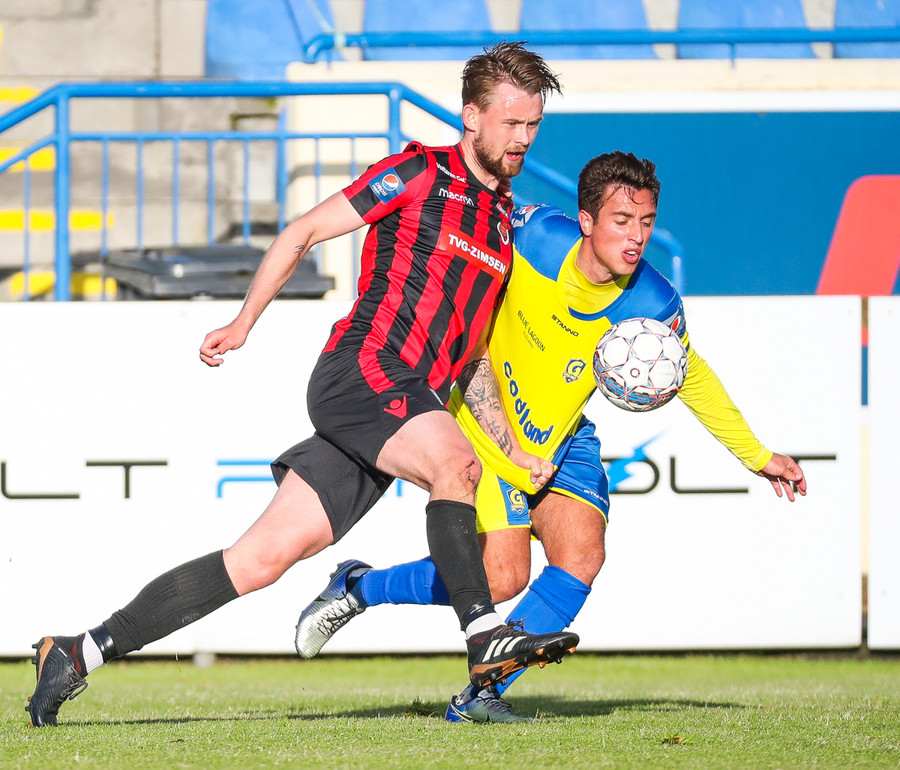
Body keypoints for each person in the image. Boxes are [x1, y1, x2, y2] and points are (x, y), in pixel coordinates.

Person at [25, 42, 579, 728]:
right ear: (471, 116)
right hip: (364, 369)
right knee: (455, 466)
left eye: (533, 125)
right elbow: (304, 231)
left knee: (256, 562)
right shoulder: (418, 173)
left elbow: (470, 359)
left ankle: (77, 652)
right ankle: (482, 636)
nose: (523, 138)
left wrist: (513, 446)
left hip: (404, 403)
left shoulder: (500, 224)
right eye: (511, 123)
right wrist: (243, 322)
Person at [292, 151, 808, 723]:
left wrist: (756, 455)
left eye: (646, 222)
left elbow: (692, 376)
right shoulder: (534, 237)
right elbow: (458, 247)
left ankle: (481, 695)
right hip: (484, 428)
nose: (637, 237)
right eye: (621, 221)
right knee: (501, 577)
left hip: (564, 436)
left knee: (583, 554)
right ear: (586, 220)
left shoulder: (655, 302)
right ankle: (359, 587)